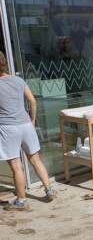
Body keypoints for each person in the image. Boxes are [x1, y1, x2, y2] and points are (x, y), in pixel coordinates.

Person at [0, 51, 56, 210]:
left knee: (17, 166)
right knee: (35, 159)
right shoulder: (18, 80)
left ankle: (22, 201)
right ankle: (49, 189)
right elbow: (32, 100)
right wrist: (31, 120)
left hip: (7, 128)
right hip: (25, 125)